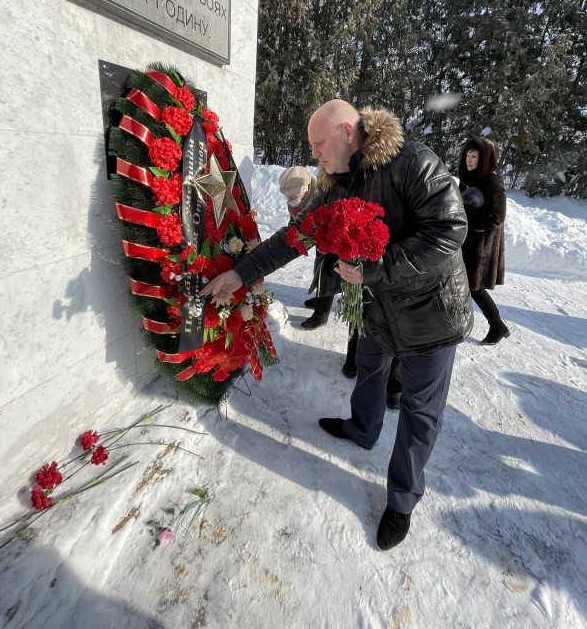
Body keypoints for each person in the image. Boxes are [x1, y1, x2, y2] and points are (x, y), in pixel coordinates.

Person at [201, 100, 473, 551]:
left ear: (348, 131)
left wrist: (379, 265)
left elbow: (449, 229)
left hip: (430, 313)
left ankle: (402, 501)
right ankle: (362, 429)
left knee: (420, 412)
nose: (315, 156)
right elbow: (295, 237)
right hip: (378, 308)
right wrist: (240, 274)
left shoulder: (413, 162)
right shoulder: (336, 187)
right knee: (369, 367)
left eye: (319, 144)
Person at [458, 137, 510, 345]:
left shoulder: (492, 182)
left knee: (474, 287)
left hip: (481, 246)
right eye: (468, 156)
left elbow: (496, 217)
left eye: (474, 156)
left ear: (485, 158)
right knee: (462, 283)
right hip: (466, 240)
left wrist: (467, 218)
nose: (469, 160)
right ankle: (459, 322)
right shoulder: (469, 178)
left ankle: (497, 326)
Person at [277, 166, 334, 330]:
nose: (290, 200)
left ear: (307, 189)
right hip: (315, 235)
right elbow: (293, 221)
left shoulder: (321, 195)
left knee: (327, 271)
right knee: (318, 267)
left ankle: (321, 314)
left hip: (329, 236)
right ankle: (319, 297)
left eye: (294, 196)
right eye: (288, 197)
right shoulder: (294, 199)